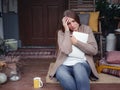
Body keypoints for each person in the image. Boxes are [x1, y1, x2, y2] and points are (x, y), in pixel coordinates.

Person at [49, 9, 99, 90]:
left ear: (77, 19)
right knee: (61, 73)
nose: (72, 25)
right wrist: (67, 31)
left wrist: (76, 42)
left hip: (82, 65)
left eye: (74, 21)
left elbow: (94, 50)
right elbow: (66, 50)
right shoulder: (61, 33)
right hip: (64, 65)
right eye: (68, 23)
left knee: (78, 66)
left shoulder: (86, 29)